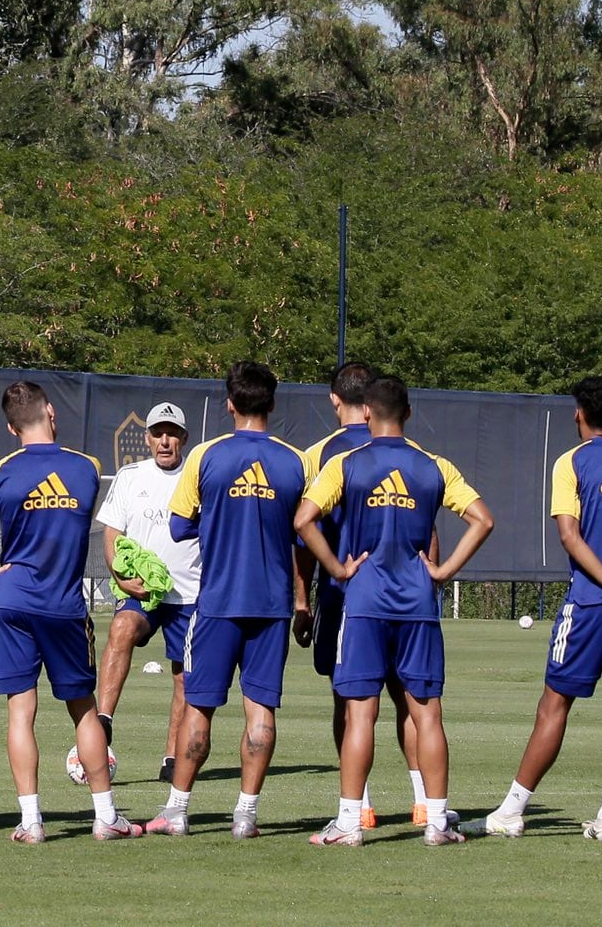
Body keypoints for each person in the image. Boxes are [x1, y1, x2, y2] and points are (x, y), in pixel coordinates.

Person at [465, 377, 602, 842]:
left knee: (553, 706)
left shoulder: (572, 461)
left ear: (579, 412)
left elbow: (569, 535)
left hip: (590, 603)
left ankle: (511, 812)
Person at [0, 380, 143, 844]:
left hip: (13, 602)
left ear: (10, 426)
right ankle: (106, 817)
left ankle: (31, 822)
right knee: (84, 712)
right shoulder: (88, 467)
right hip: (64, 607)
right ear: (50, 411)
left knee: (20, 713)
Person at [298, 374, 494, 847]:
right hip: (418, 605)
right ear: (408, 413)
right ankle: (437, 822)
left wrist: (337, 570)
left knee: (360, 713)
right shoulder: (434, 466)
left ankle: (349, 823)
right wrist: (443, 570)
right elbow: (483, 519)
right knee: (427, 714)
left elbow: (303, 520)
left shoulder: (345, 463)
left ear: (366, 412)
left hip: (362, 604)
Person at [143, 362, 305, 839]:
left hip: (214, 603)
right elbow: (304, 531)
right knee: (261, 709)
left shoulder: (205, 456)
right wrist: (302, 601)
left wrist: (218, 521)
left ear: (230, 404)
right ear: (272, 404)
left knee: (199, 705)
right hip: (272, 607)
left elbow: (177, 525)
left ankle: (177, 811)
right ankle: (246, 815)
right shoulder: (296, 461)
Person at [294, 361, 433, 826]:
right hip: (411, 593)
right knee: (412, 698)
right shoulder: (415, 453)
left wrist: (302, 599)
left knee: (351, 699)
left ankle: (361, 806)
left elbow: (304, 533)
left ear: (337, 399)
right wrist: (432, 573)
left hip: (349, 593)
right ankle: (422, 801)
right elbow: (429, 528)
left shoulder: (323, 456)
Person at [88, 400, 198, 787]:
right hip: (140, 589)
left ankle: (171, 757)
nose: (165, 440)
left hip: (189, 593)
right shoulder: (131, 476)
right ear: (148, 438)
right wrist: (119, 574)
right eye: (158, 433)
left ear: (184, 437)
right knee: (121, 629)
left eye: (172, 433)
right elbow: (112, 532)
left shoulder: (199, 475)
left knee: (183, 678)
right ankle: (103, 721)